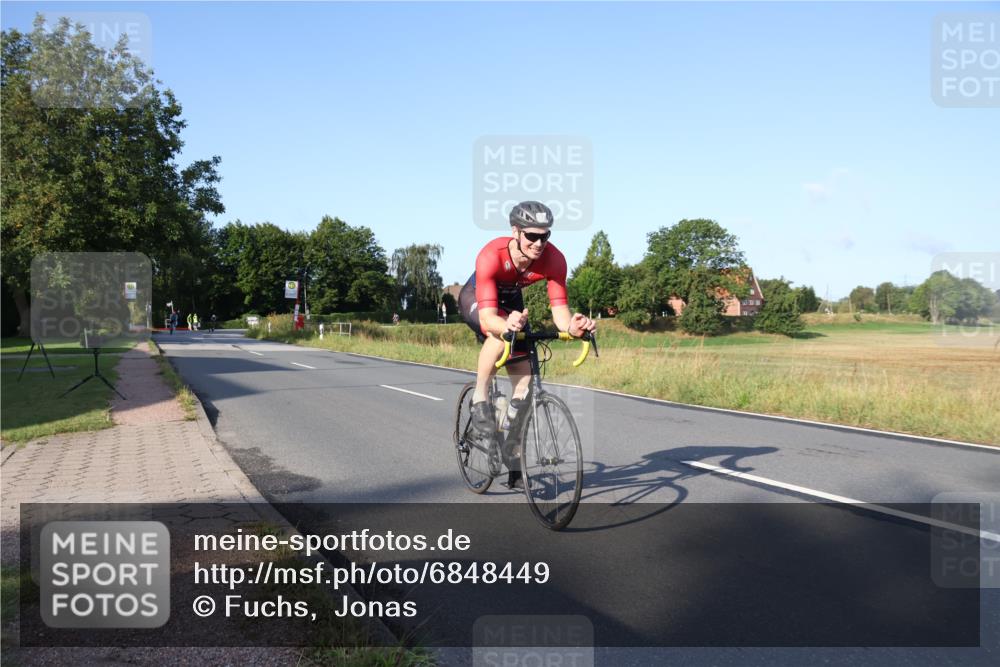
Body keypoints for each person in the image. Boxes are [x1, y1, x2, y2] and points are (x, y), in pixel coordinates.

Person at [458, 201, 597, 489]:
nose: (539, 243)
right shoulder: (491, 255)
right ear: (516, 231)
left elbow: (560, 313)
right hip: (477, 298)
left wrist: (574, 327)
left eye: (545, 236)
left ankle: (513, 459)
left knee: (526, 386)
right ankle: (480, 398)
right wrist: (505, 325)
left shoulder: (555, 260)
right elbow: (487, 318)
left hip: (512, 303)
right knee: (500, 334)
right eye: (532, 236)